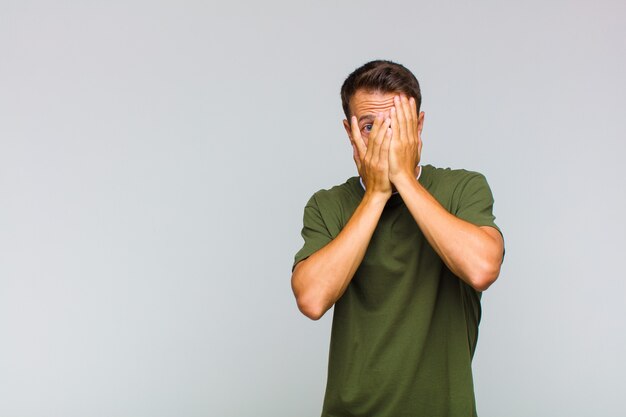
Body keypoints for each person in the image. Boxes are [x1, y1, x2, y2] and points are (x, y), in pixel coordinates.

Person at [291, 60, 505, 417]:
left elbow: (482, 268)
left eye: (395, 124)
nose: (382, 138)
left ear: (418, 125)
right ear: (350, 133)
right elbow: (312, 299)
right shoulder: (327, 205)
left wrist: (404, 180)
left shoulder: (462, 188)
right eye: (369, 126)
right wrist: (375, 195)